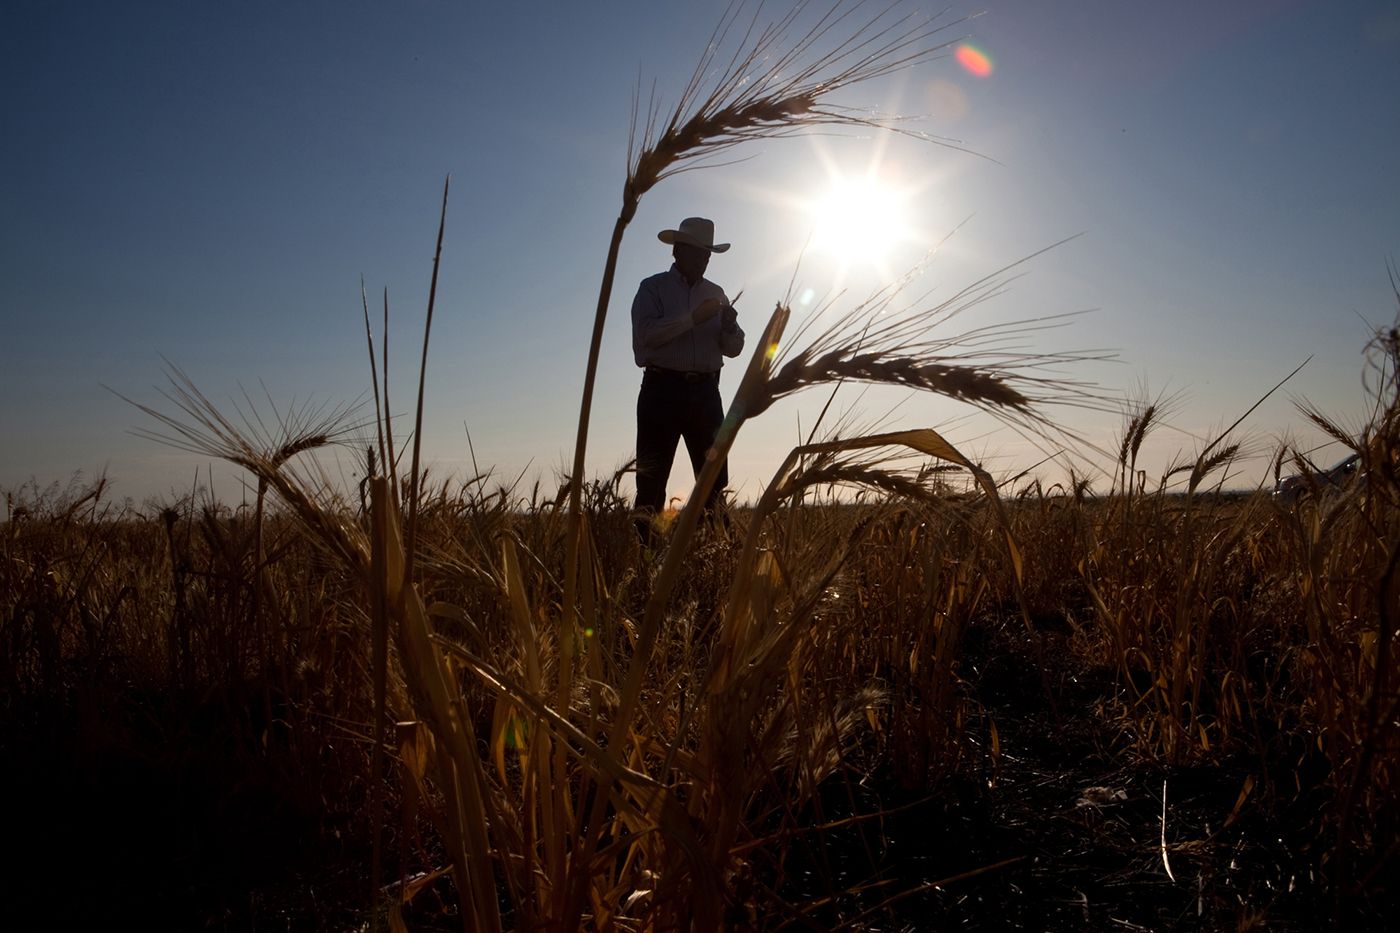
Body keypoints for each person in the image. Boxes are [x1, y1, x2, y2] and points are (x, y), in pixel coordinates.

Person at [630, 216, 745, 536]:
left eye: (707, 255)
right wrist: (692, 318)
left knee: (714, 485)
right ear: (677, 251)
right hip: (661, 390)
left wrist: (729, 328)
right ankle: (645, 562)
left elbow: (733, 349)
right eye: (697, 253)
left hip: (707, 394)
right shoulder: (652, 288)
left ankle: (716, 560)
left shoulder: (716, 292)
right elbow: (645, 338)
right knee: (651, 484)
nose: (703, 260)